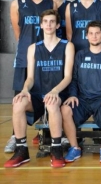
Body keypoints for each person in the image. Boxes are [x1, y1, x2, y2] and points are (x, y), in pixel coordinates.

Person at [4, 9, 74, 168]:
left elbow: (68, 76)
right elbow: (30, 78)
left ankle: (56, 150)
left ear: (57, 25)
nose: (49, 25)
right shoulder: (33, 48)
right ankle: (22, 150)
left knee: (51, 103)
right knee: (18, 103)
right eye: (45, 22)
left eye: (52, 22)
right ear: (41, 25)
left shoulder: (67, 46)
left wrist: (55, 91)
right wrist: (24, 90)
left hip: (58, 93)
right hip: (37, 94)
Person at [6, 0, 56, 153]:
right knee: (20, 97)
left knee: (45, 93)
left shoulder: (50, 3)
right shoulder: (17, 4)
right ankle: (16, 136)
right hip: (24, 58)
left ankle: (48, 131)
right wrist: (28, 49)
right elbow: (18, 33)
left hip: (45, 57)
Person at [61, 21, 101, 163]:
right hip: (82, 99)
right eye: (91, 33)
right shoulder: (80, 55)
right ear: (86, 36)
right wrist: (73, 95)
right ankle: (75, 148)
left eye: (97, 33)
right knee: (64, 109)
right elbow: (73, 79)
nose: (94, 36)